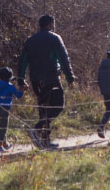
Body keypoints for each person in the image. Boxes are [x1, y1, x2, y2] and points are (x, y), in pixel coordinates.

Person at [17, 14, 76, 149]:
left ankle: (45, 141)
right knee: (58, 105)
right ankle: (37, 129)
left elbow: (23, 61)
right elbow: (64, 58)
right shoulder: (55, 38)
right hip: (51, 78)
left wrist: (21, 80)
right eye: (53, 24)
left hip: (35, 80)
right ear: (50, 24)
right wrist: (70, 77)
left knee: (43, 109)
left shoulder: (30, 40)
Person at [0, 67, 24, 152]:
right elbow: (18, 95)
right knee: (4, 128)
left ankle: (5, 144)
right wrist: (22, 90)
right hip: (5, 109)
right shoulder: (10, 86)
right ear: (9, 78)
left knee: (1, 126)